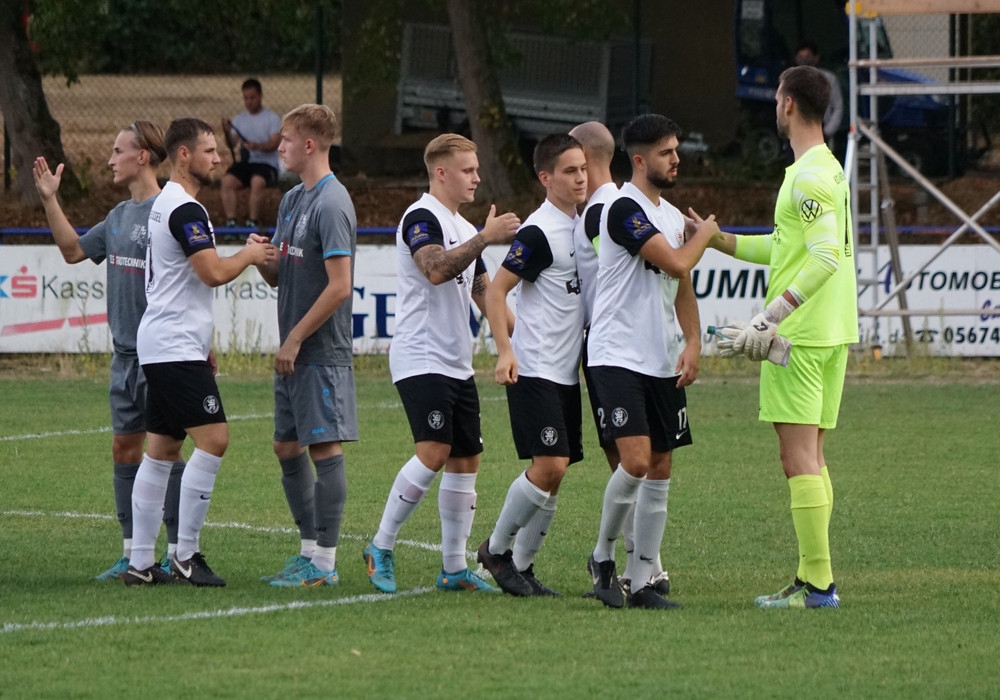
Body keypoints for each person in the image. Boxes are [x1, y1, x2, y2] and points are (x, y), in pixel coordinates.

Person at [703, 65, 856, 609]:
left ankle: (819, 587)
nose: (774, 105)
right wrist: (721, 241)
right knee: (812, 456)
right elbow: (787, 246)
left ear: (788, 103)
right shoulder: (827, 168)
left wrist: (769, 317)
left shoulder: (808, 176)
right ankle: (812, 577)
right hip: (831, 332)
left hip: (800, 338)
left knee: (797, 460)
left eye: (775, 98)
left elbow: (825, 257)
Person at [363, 133, 520, 594]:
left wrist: (518, 339)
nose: (477, 177)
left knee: (466, 459)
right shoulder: (421, 216)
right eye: (468, 170)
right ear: (441, 172)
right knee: (434, 451)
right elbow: (434, 270)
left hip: (456, 361)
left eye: (477, 169)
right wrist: (485, 238)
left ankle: (453, 568)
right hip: (422, 356)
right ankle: (380, 545)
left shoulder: (465, 227)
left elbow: (485, 294)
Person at [124, 118, 277, 586]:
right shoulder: (185, 209)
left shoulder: (166, 202)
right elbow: (211, 273)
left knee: (161, 450)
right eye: (210, 151)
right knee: (214, 440)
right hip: (172, 345)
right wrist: (250, 255)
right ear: (184, 155)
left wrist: (201, 342)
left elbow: (182, 280)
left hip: (169, 342)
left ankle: (140, 564)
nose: (218, 158)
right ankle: (185, 555)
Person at [32, 122, 188, 582]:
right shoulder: (119, 216)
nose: (109, 159)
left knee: (166, 452)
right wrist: (49, 198)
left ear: (142, 157)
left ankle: (178, 552)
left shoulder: (171, 210)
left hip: (161, 355)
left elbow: (195, 279)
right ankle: (132, 553)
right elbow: (72, 251)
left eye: (118, 150)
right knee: (124, 448)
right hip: (123, 357)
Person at [585, 114, 720, 610]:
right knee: (637, 461)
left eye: (676, 149)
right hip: (616, 355)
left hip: (660, 357)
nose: (676, 159)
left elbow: (681, 284)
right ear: (639, 160)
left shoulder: (670, 217)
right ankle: (602, 556)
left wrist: (693, 341)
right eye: (666, 152)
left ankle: (641, 580)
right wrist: (707, 233)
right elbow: (679, 261)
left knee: (661, 466)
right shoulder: (622, 208)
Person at [246, 105, 357, 588]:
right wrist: (261, 260)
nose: (279, 147)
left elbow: (340, 287)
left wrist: (294, 337)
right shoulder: (293, 199)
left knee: (323, 448)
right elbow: (279, 276)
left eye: (286, 139)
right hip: (292, 350)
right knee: (285, 445)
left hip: (317, 350)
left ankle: (325, 565)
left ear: (309, 145)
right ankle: (309, 550)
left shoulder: (332, 203)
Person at [476, 134, 588, 597]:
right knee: (550, 465)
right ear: (546, 178)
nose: (580, 178)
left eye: (583, 169)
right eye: (569, 171)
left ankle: (522, 566)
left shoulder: (583, 226)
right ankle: (495, 550)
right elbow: (497, 291)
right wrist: (506, 350)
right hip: (535, 367)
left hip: (565, 372)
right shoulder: (539, 232)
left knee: (556, 475)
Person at [568, 120, 672, 597]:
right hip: (623, 349)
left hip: (622, 346)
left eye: (572, 162)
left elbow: (639, 270)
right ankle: (640, 567)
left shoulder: (599, 213)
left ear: (585, 159)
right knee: (632, 462)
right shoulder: (610, 209)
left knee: (632, 462)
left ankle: (634, 565)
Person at [221, 78, 282, 231]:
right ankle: (231, 222)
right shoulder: (239, 119)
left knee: (257, 181)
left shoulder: (272, 118)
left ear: (260, 96)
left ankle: (252, 221)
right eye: (246, 98)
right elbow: (231, 144)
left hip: (267, 165)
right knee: (227, 181)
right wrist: (227, 132)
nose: (249, 102)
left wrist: (257, 146)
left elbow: (275, 143)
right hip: (247, 164)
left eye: (252, 97)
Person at [794, 42, 844, 148]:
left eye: (807, 57)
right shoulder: (791, 80)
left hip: (821, 131)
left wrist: (827, 132)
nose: (804, 61)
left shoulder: (829, 78)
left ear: (816, 58)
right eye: (800, 57)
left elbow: (838, 108)